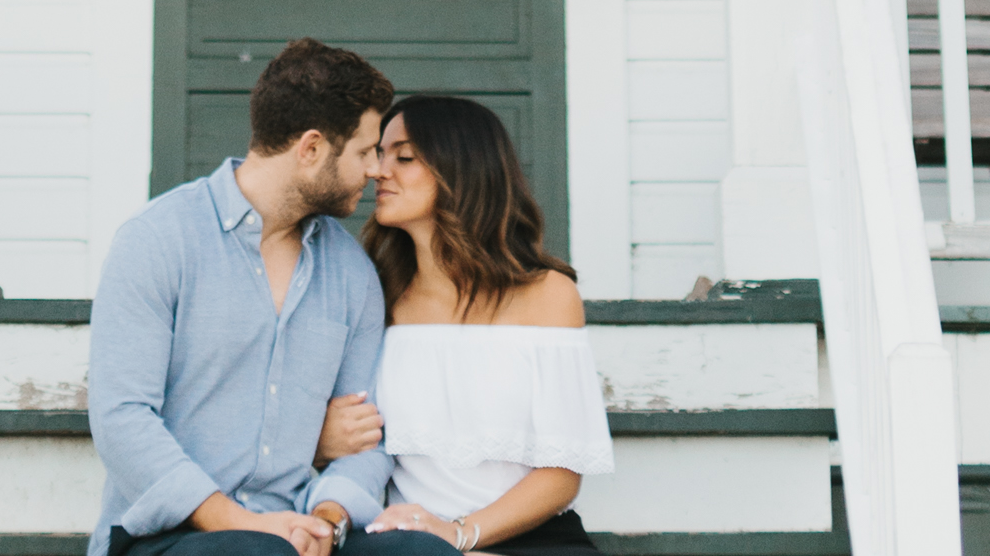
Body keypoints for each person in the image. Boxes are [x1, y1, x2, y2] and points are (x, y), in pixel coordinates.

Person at [88, 36, 402, 556]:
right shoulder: (158, 240)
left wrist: (327, 520)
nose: (375, 170)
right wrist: (240, 522)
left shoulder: (351, 274)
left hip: (296, 529)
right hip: (171, 536)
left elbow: (368, 441)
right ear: (311, 149)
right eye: (366, 151)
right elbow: (122, 418)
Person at [315, 98, 612, 556]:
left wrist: (459, 533)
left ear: (463, 170)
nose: (378, 171)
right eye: (378, 153)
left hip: (527, 540)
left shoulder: (548, 294)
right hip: (405, 545)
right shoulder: (376, 291)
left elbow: (561, 474)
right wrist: (323, 441)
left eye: (404, 157)